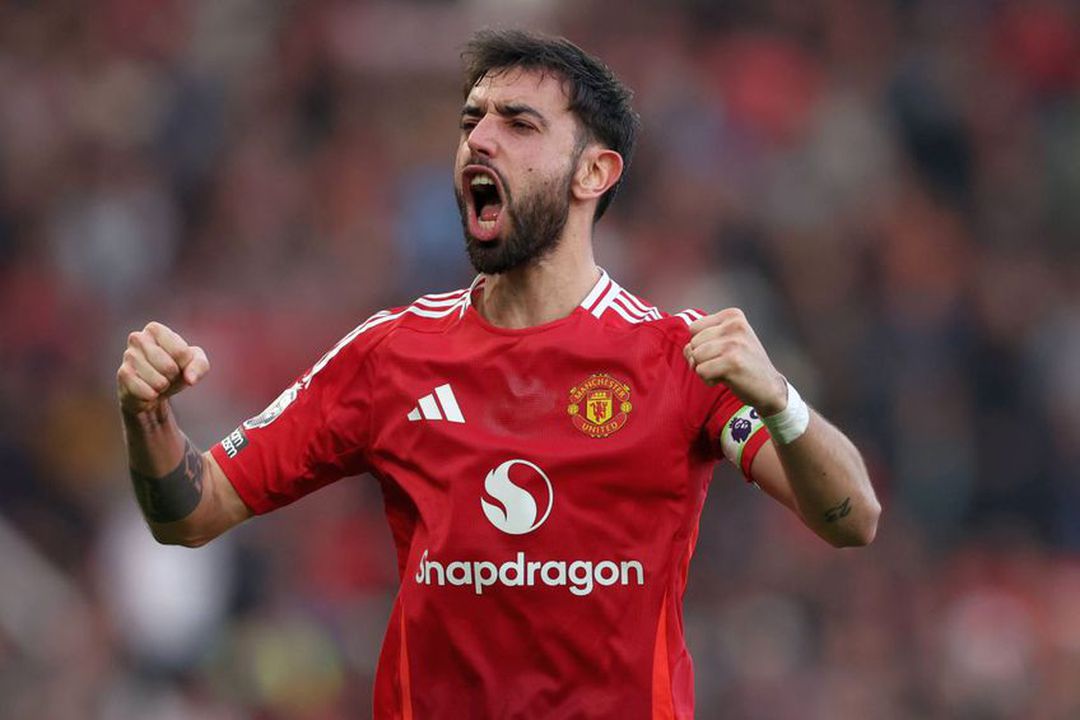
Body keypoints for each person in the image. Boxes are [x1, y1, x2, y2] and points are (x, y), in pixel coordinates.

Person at [116, 29, 880, 719]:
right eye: (471, 121)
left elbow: (852, 518)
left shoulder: (678, 358)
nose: (479, 140)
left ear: (594, 172)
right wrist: (147, 414)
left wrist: (782, 402)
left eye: (519, 124)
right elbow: (190, 513)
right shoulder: (390, 355)